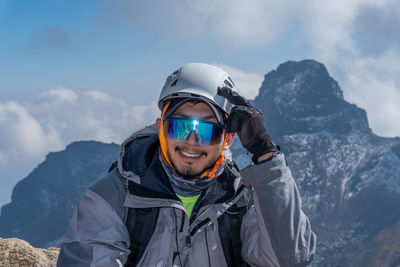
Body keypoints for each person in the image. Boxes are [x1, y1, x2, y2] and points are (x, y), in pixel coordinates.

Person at [57, 63, 316, 267]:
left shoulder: (244, 200)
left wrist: (266, 154)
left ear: (227, 139)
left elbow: (290, 260)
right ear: (160, 129)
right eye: (179, 127)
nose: (191, 142)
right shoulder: (112, 199)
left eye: (206, 131)